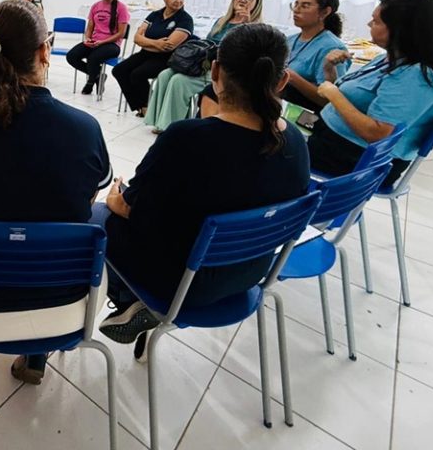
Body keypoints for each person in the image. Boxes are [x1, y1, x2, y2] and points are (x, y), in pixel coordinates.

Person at [0, 0, 113, 385]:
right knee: (95, 219)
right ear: (44, 51)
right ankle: (36, 351)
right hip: (66, 307)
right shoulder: (84, 130)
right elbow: (83, 206)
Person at [98, 24, 310, 351]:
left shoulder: (187, 138)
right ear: (282, 81)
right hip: (251, 272)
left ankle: (130, 300)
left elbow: (132, 209)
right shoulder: (295, 141)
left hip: (184, 282)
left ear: (215, 71)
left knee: (96, 217)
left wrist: (116, 199)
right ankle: (138, 305)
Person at [308, 0, 433, 187]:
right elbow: (344, 95)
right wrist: (329, 70)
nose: (369, 24)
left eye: (376, 21)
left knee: (272, 151)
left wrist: (334, 95)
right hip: (334, 139)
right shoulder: (388, 59)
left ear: (401, 29)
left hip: (357, 159)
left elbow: (378, 133)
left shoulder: (417, 76)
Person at [199, 0, 348, 116]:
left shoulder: (332, 48)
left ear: (325, 12)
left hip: (299, 111)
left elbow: (329, 101)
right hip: (271, 98)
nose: (296, 10)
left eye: (305, 6)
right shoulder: (290, 39)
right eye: (296, 4)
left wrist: (293, 78)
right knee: (215, 91)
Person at [144, 0, 263, 133]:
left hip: (223, 73)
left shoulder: (255, 28)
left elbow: (246, 57)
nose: (243, 0)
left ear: (257, 3)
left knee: (178, 81)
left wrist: (246, 24)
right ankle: (158, 121)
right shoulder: (222, 21)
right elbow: (207, 44)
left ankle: (170, 128)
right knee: (165, 75)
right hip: (204, 64)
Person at [112, 0, 193, 116]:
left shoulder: (185, 19)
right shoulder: (155, 15)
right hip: (145, 54)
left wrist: (146, 42)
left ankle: (147, 107)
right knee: (119, 70)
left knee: (137, 74)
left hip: (167, 58)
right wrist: (156, 43)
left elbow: (168, 46)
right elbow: (136, 38)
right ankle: (140, 105)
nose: (178, 0)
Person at [65, 0, 130, 95]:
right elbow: (90, 27)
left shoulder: (121, 8)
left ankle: (90, 82)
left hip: (112, 44)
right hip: (95, 42)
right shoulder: (96, 6)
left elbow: (121, 33)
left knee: (92, 58)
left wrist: (102, 42)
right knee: (71, 56)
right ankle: (97, 75)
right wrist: (87, 38)